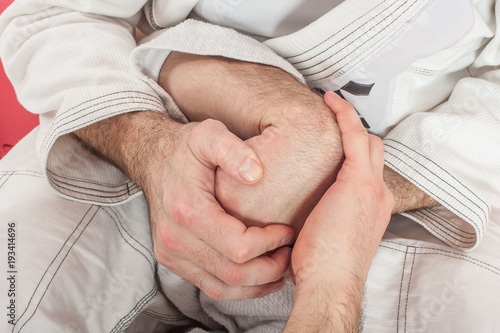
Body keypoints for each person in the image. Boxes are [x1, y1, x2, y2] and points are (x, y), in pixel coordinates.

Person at [0, 0, 499, 332]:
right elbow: (50, 15)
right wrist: (151, 149)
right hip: (150, 139)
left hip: (422, 195)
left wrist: (361, 186)